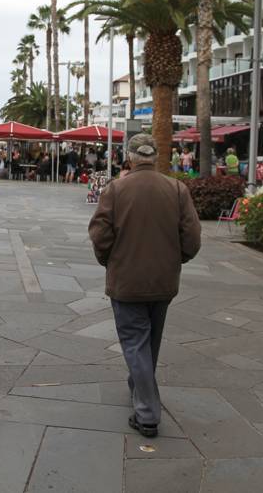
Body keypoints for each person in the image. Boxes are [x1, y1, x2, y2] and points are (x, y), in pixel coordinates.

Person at [88, 133, 201, 439]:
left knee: (135, 342)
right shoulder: (176, 189)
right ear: (156, 156)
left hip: (127, 280)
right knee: (150, 342)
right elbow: (192, 238)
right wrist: (176, 259)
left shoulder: (116, 189)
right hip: (163, 281)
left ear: (130, 157)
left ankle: (147, 413)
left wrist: (110, 261)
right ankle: (139, 385)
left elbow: (100, 234)